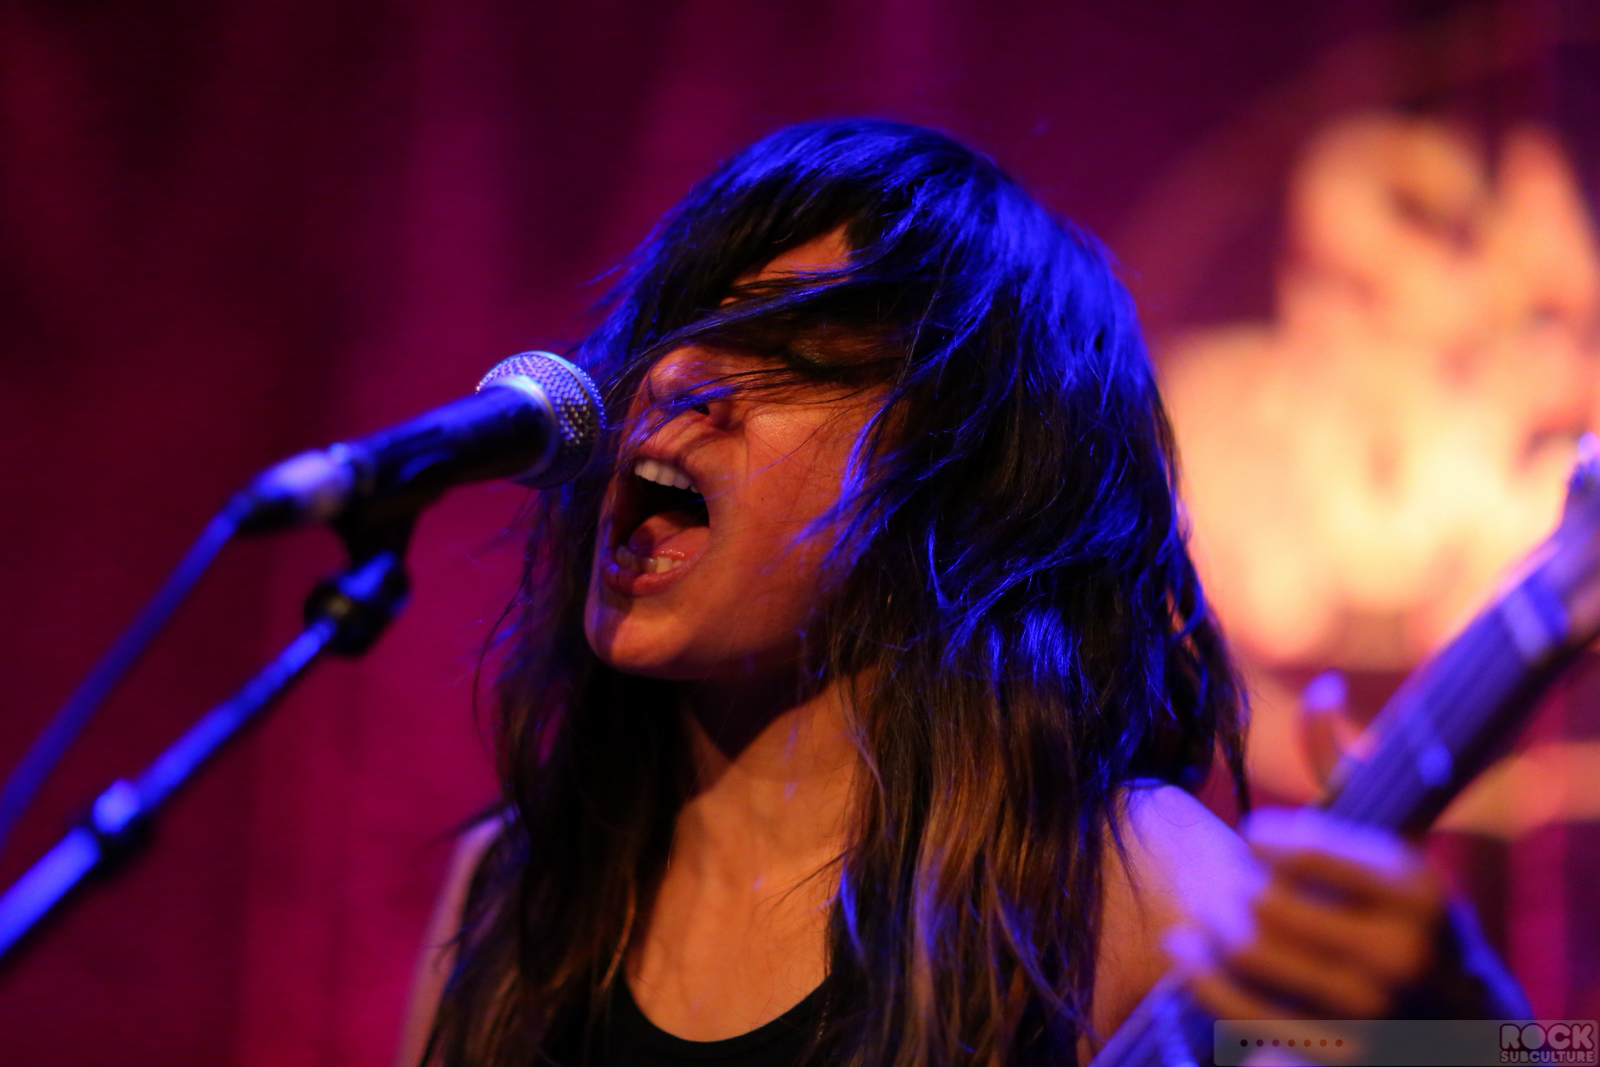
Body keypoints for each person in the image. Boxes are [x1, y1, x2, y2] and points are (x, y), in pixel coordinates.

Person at [398, 120, 1524, 1067]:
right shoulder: (514, 891)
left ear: (962, 481)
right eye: (686, 326)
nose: (677, 373)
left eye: (792, 351)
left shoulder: (1121, 882)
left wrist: (1464, 1030)